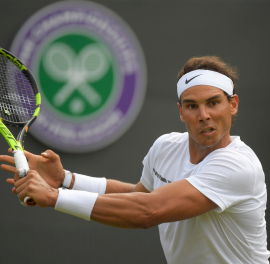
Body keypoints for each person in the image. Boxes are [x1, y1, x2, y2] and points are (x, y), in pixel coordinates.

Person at [1, 56, 269, 263]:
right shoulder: (165, 147)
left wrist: (53, 197)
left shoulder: (237, 166)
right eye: (192, 106)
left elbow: (147, 211)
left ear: (233, 105)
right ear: (180, 111)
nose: (203, 115)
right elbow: (138, 195)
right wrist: (65, 181)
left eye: (213, 103)